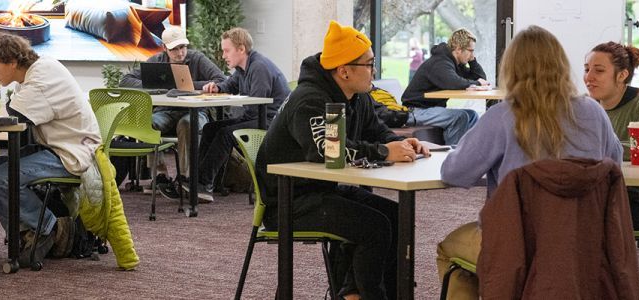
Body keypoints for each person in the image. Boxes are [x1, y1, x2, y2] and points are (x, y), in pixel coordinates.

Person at [436, 26, 623, 299]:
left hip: (516, 247)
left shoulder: (502, 116)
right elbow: (614, 166)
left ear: (511, 68)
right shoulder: (594, 112)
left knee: (448, 249)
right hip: (583, 244)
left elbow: (454, 173)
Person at [256, 20, 430, 300]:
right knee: (374, 228)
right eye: (369, 64)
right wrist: (384, 152)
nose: (375, 71)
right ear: (344, 71)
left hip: (323, 189)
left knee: (397, 217)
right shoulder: (310, 99)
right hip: (289, 201)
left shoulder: (357, 96)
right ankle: (357, 294)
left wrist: (399, 144)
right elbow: (328, 152)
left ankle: (360, 292)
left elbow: (377, 131)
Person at [0, 33, 101, 265]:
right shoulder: (37, 70)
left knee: (3, 177)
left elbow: (14, 114)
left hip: (72, 153)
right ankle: (26, 234)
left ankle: (48, 229)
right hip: (57, 147)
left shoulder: (42, 76)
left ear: (12, 61)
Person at [119, 26, 227, 201]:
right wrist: (154, 85)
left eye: (183, 47)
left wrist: (186, 85)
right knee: (147, 123)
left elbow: (221, 79)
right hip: (165, 112)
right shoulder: (157, 61)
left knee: (188, 124)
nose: (180, 52)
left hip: (194, 111)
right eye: (174, 49)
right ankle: (159, 175)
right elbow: (125, 80)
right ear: (164, 48)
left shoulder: (197, 59)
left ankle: (186, 178)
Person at [195, 27, 290, 201]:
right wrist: (217, 87)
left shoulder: (259, 67)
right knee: (210, 128)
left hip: (271, 123)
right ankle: (202, 182)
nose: (223, 55)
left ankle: (203, 184)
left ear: (241, 49)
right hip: (256, 117)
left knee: (225, 134)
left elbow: (256, 105)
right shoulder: (243, 68)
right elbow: (229, 85)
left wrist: (236, 119)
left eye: (226, 51)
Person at [584, 41, 639, 231]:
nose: (589, 77)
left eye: (599, 71)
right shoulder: (587, 105)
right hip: (595, 191)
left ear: (622, 75)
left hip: (637, 200)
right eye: (587, 69)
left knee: (572, 216)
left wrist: (593, 149)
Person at [399, 28, 485, 145]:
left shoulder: (454, 63)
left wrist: (472, 61)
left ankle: (467, 150)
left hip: (430, 110)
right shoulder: (440, 62)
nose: (472, 55)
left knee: (472, 115)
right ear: (458, 49)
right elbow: (454, 82)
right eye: (470, 51)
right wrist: (477, 84)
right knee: (460, 117)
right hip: (415, 111)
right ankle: (453, 154)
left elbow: (480, 78)